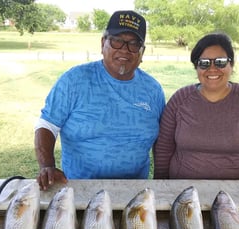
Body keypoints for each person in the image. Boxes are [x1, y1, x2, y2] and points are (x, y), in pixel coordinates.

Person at [34, 10, 165, 190]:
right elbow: (47, 125)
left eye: (134, 44)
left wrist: (162, 179)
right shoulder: (74, 80)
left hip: (134, 192)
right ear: (103, 43)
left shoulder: (153, 90)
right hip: (80, 191)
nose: (124, 50)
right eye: (117, 41)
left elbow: (162, 141)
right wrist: (47, 165)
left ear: (142, 53)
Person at [153, 33, 239, 180]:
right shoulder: (180, 99)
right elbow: (163, 150)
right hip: (183, 192)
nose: (212, 68)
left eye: (220, 62)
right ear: (196, 67)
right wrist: (162, 187)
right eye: (204, 62)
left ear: (231, 65)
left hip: (237, 194)